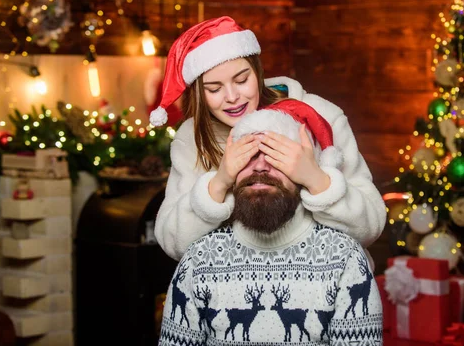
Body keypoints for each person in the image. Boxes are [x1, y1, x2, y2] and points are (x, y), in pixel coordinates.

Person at [150, 16, 386, 265]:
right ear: (199, 93)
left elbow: (371, 228)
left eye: (242, 80)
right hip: (234, 292)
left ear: (257, 71)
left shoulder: (323, 117)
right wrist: (219, 183)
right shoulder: (191, 139)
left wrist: (316, 180)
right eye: (214, 89)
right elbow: (171, 242)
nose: (232, 97)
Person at [158, 103, 383, 343]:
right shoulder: (198, 260)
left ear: (303, 170)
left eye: (277, 156)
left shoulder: (345, 259)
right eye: (248, 155)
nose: (261, 165)